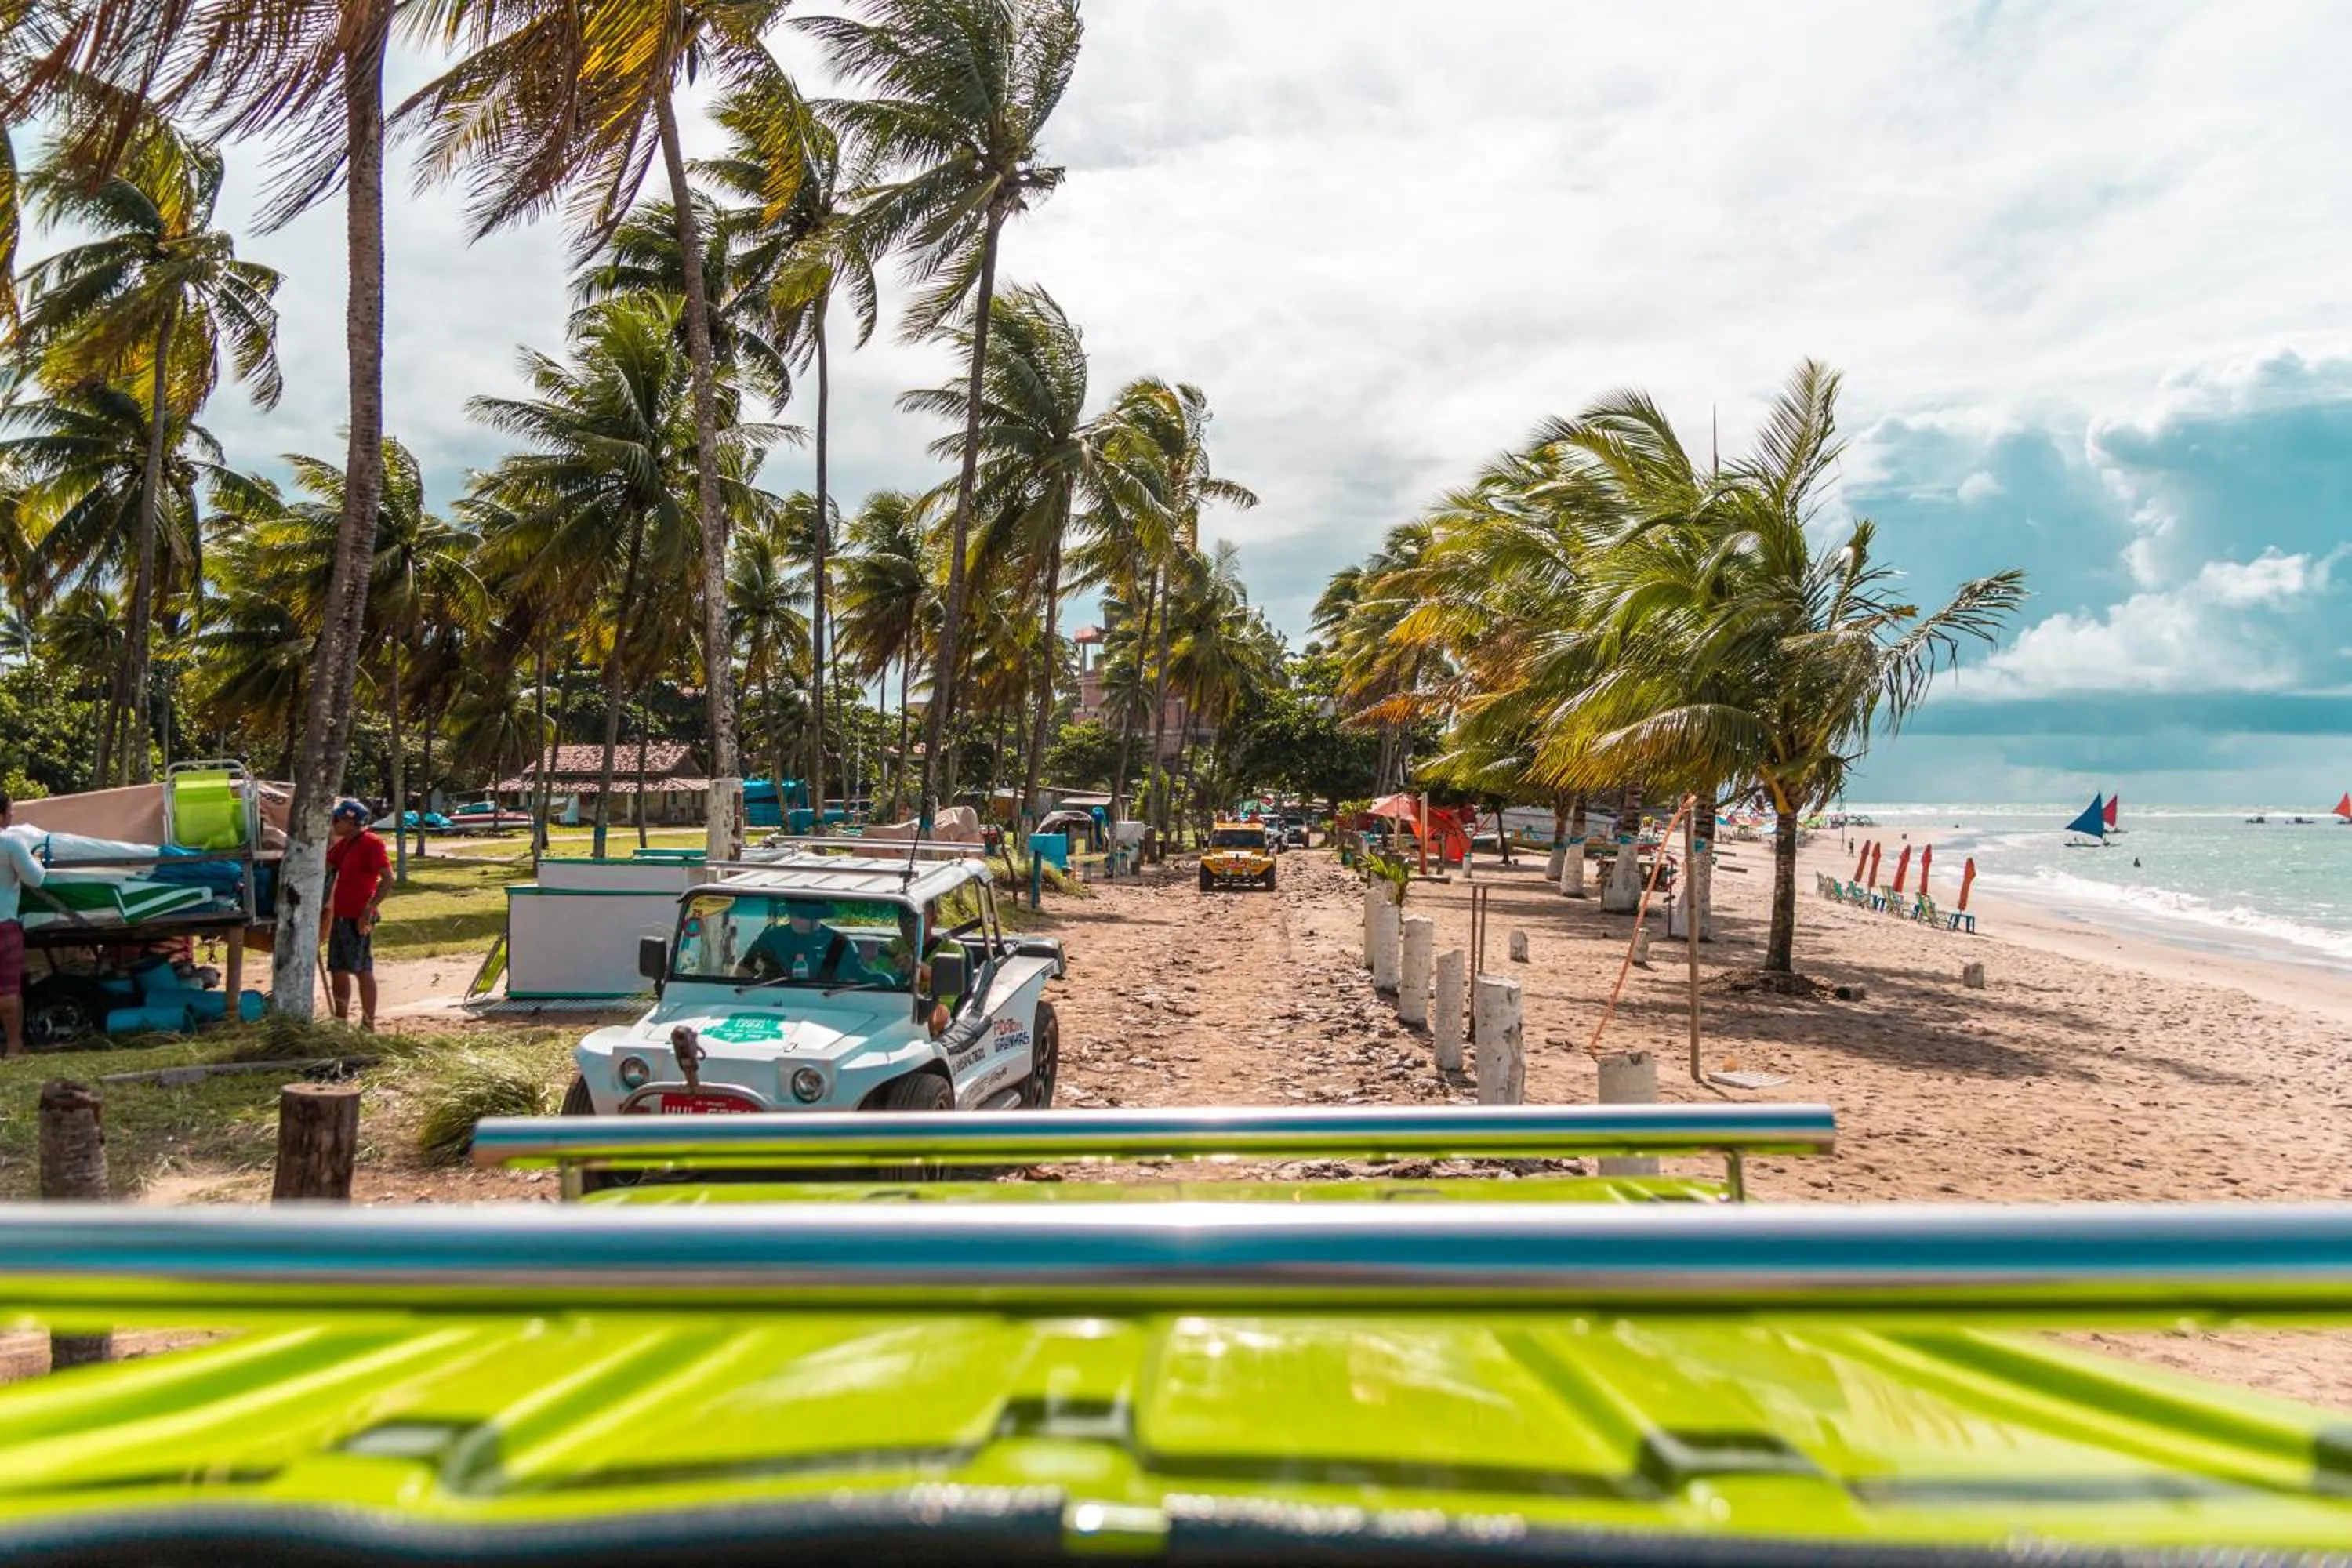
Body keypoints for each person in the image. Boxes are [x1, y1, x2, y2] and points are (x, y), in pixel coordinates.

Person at [322, 798, 390, 1030]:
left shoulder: (371, 843)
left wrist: (369, 909)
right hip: (340, 916)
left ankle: (368, 1024)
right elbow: (327, 865)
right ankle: (340, 1022)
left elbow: (388, 879)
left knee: (362, 969)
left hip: (358, 917)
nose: (333, 824)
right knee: (338, 969)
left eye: (337, 820)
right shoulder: (345, 844)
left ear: (350, 822)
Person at [0, 793, 48, 1058]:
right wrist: (39, 860)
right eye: (11, 810)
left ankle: (16, 1044)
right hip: (3, 924)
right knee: (7, 989)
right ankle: (12, 1047)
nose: (13, 815)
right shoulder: (9, 842)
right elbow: (35, 879)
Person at [881, 900, 964, 1036]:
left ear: (934, 920)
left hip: (938, 1008)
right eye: (904, 917)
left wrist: (918, 967)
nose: (909, 923)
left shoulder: (951, 949)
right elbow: (875, 975)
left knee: (931, 1014)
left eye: (915, 917)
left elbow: (946, 979)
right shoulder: (892, 947)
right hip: (896, 1005)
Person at [739, 901, 852, 982]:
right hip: (774, 998)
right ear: (789, 910)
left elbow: (855, 980)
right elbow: (744, 971)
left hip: (826, 1000)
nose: (808, 917)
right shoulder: (770, 939)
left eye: (811, 912)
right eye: (798, 910)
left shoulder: (838, 942)